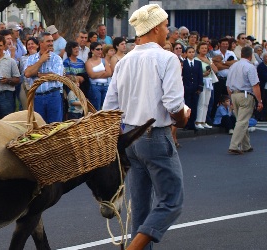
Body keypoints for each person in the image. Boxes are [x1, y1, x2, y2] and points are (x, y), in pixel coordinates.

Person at [102, 4, 188, 249]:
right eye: (164, 25)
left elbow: (109, 108)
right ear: (156, 28)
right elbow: (173, 105)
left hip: (130, 137)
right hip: (154, 134)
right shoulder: (167, 58)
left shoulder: (124, 61)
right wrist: (183, 119)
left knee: (140, 208)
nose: (167, 30)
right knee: (172, 200)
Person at [227, 47, 263, 155]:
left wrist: (231, 99)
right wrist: (259, 101)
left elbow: (228, 85)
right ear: (251, 55)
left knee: (241, 119)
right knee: (242, 121)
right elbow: (255, 85)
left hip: (234, 94)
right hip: (245, 94)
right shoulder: (250, 67)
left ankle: (246, 145)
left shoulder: (233, 66)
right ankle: (234, 145)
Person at [24, 33, 65, 123]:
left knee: (55, 127)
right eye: (48, 41)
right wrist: (41, 61)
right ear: (40, 43)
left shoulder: (57, 59)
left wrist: (37, 74)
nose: (51, 43)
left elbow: (55, 76)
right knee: (39, 126)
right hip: (37, 97)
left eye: (52, 41)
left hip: (53, 96)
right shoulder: (31, 59)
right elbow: (27, 73)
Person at [195, 42, 217, 129]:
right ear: (199, 49)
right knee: (201, 101)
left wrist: (209, 62)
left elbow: (216, 70)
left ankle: (203, 121)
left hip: (209, 81)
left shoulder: (209, 59)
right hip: (202, 81)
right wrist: (203, 74)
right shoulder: (196, 59)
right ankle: (198, 121)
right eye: (202, 48)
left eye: (205, 48)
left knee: (207, 102)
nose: (204, 50)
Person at [85, 42, 112, 111]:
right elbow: (92, 75)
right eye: (98, 49)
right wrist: (103, 72)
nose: (100, 51)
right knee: (96, 108)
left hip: (105, 85)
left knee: (106, 108)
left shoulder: (103, 60)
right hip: (95, 86)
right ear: (92, 50)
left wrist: (97, 74)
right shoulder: (88, 62)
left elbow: (109, 73)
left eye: (101, 49)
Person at [182, 46, 203, 130]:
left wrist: (200, 87)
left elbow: (200, 76)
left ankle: (192, 123)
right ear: (186, 53)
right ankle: (186, 123)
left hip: (195, 88)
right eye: (189, 52)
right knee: (187, 106)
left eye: (192, 52)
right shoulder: (184, 63)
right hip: (187, 88)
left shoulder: (198, 63)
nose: (191, 54)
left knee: (194, 106)